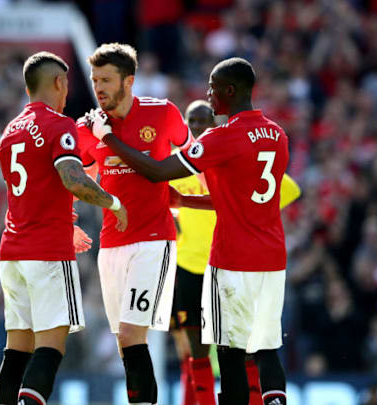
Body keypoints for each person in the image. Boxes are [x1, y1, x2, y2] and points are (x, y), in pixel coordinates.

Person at [89, 57, 290, 405]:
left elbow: (155, 171)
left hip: (232, 260)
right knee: (267, 347)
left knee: (228, 353)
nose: (208, 94)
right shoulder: (278, 135)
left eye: (212, 87)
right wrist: (186, 201)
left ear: (230, 90)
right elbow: (243, 200)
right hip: (272, 259)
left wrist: (108, 138)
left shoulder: (220, 138)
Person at [0, 51, 128, 405]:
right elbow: (72, 179)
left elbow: (34, 190)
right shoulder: (59, 124)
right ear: (58, 82)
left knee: (16, 349)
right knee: (51, 347)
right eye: (66, 83)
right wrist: (113, 203)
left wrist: (66, 222)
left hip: (12, 252)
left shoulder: (9, 132)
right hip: (47, 252)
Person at [76, 43, 192, 405]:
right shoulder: (87, 128)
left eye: (107, 80)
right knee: (126, 343)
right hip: (110, 245)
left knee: (129, 334)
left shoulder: (164, 114)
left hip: (153, 240)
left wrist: (188, 202)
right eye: (95, 80)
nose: (99, 88)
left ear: (129, 81)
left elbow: (192, 160)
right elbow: (75, 177)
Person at [170, 101, 301, 405]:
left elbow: (289, 189)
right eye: (193, 122)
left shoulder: (231, 158)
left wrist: (254, 212)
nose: (199, 128)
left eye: (205, 122)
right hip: (189, 267)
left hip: (230, 265)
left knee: (244, 349)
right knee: (195, 352)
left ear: (214, 124)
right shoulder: (182, 165)